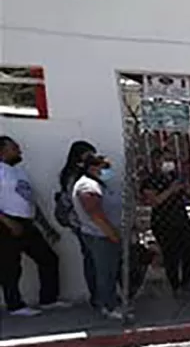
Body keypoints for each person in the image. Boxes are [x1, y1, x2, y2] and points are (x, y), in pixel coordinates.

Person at [0, 135, 65, 317]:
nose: (19, 151)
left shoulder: (19, 172)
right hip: (7, 224)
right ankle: (15, 305)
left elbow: (30, 201)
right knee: (10, 267)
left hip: (27, 222)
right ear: (2, 151)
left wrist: (46, 226)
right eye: (15, 148)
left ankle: (48, 299)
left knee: (48, 258)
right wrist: (8, 221)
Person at [140, 149, 190, 297]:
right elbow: (153, 202)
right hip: (163, 222)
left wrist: (186, 189)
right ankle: (175, 287)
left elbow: (189, 198)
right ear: (156, 161)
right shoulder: (149, 180)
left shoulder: (175, 177)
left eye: (171, 160)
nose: (169, 163)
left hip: (181, 218)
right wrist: (171, 189)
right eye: (166, 160)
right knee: (171, 255)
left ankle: (186, 282)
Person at [72, 151, 124, 320]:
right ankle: (108, 307)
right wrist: (112, 234)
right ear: (93, 168)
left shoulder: (97, 184)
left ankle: (110, 303)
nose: (108, 171)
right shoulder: (88, 187)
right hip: (100, 235)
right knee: (105, 273)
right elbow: (96, 214)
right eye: (105, 167)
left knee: (109, 271)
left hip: (104, 234)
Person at [58, 140, 98, 308]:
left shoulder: (86, 173)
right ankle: (97, 296)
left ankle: (99, 295)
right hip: (83, 222)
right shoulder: (74, 176)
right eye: (89, 156)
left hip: (88, 221)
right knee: (92, 259)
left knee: (95, 259)